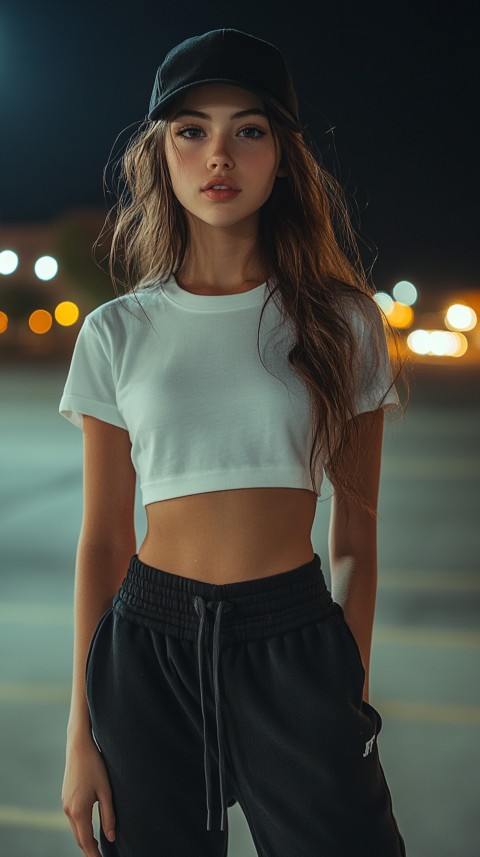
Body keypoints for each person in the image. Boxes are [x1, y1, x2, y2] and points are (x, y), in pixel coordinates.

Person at [59, 27, 408, 857]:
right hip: (147, 648)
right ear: (160, 154)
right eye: (192, 131)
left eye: (248, 130)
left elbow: (355, 539)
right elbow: (105, 539)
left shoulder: (344, 321)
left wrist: (343, 694)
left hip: (295, 641)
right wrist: (82, 736)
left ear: (281, 156)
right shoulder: (117, 331)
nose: (220, 154)